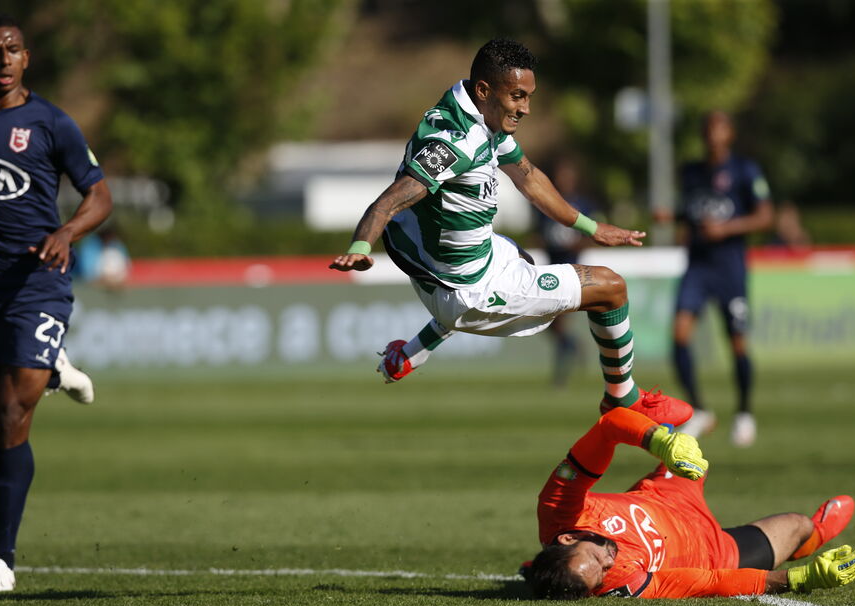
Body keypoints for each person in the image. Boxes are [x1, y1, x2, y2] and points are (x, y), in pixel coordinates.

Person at [329, 39, 689, 425]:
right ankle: (623, 399)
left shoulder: (482, 116)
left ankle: (413, 352)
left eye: (530, 96)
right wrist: (361, 244)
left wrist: (590, 226)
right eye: (518, 96)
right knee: (611, 287)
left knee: (523, 259)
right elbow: (388, 200)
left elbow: (529, 178)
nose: (526, 108)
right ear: (485, 90)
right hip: (470, 291)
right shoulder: (455, 142)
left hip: (446, 266)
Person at [0, 14, 113, 591]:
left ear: (27, 58)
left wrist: (66, 233)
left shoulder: (51, 124)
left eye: (12, 50)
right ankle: (51, 368)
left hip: (35, 286)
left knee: (8, 417)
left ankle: (1, 559)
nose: (2, 61)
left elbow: (99, 195)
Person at [525, 406, 855, 599]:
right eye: (600, 574)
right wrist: (800, 579)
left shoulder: (558, 507)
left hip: (666, 492)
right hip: (714, 549)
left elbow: (607, 427)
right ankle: (813, 537)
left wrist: (659, 441)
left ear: (567, 538)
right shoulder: (621, 583)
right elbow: (707, 583)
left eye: (595, 557)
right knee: (798, 524)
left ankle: (658, 413)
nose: (607, 561)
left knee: (683, 427)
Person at [667, 111, 774, 447]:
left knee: (737, 343)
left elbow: (765, 216)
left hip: (730, 268)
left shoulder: (745, 170)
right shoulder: (691, 172)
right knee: (679, 336)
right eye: (708, 127)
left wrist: (726, 228)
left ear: (730, 133)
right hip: (698, 266)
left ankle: (744, 412)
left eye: (719, 127)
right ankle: (699, 409)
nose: (713, 133)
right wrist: (672, 218)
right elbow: (693, 211)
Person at [532, 157, 604, 387]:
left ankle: (560, 377)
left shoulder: (582, 204)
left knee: (559, 323)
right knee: (548, 324)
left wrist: (574, 245)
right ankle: (573, 347)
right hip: (551, 270)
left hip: (573, 271)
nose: (565, 180)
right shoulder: (547, 204)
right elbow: (540, 233)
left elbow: (592, 236)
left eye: (568, 175)